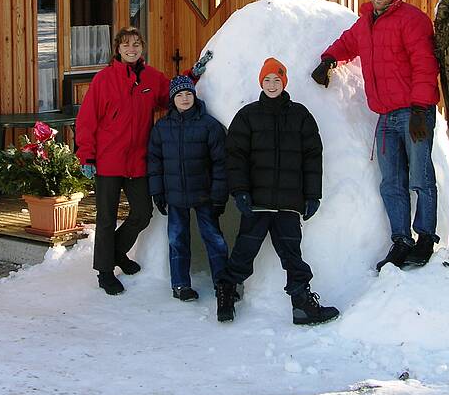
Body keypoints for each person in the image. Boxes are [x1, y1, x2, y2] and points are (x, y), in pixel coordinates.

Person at [311, 0, 441, 271]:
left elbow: (425, 64)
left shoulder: (412, 20)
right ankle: (401, 240)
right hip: (385, 116)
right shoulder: (366, 22)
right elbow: (347, 42)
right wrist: (328, 59)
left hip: (413, 112)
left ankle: (425, 238)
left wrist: (421, 109)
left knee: (420, 178)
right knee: (391, 182)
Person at [214, 58, 339, 326]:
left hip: (287, 204)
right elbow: (235, 157)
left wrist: (312, 195)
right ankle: (225, 292)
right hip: (257, 203)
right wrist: (240, 191)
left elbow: (312, 156)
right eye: (267, 80)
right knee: (244, 253)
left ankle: (302, 305)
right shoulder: (247, 116)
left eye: (277, 80)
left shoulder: (300, 115)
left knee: (293, 256)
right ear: (261, 82)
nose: (272, 85)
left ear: (284, 82)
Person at [76, 27, 170, 295]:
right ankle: (105, 273)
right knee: (106, 218)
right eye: (126, 44)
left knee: (142, 213)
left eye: (137, 44)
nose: (132, 49)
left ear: (142, 48)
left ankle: (116, 252)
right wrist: (87, 154)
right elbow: (87, 120)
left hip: (138, 160)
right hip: (107, 161)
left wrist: (194, 76)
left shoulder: (152, 78)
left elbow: (173, 94)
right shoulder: (104, 79)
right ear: (117, 49)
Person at [148, 73, 229, 302]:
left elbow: (221, 163)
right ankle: (180, 284)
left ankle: (223, 284)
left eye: (188, 94)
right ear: (172, 99)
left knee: (214, 240)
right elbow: (155, 162)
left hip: (204, 195)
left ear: (194, 96)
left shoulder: (208, 125)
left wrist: (218, 197)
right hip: (174, 196)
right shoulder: (162, 128)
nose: (184, 98)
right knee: (177, 240)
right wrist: (158, 192)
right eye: (179, 95)